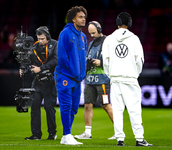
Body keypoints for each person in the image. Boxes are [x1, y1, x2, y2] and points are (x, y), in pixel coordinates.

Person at [102, 12, 153, 147]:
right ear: (129, 23)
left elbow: (105, 61)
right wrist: (134, 74)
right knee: (134, 110)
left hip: (115, 79)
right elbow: (140, 60)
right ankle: (139, 139)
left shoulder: (109, 39)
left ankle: (120, 139)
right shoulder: (134, 39)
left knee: (117, 111)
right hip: (130, 78)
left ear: (117, 22)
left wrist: (111, 74)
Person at [74, 21, 115, 140]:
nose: (91, 35)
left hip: (103, 81)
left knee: (106, 105)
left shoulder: (108, 42)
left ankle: (119, 131)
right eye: (90, 33)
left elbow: (114, 60)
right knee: (87, 105)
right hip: (90, 80)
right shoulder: (90, 44)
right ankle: (87, 133)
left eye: (93, 33)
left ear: (99, 29)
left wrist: (101, 63)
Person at [54, 6, 87, 145]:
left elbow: (83, 58)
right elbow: (61, 56)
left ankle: (66, 136)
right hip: (65, 76)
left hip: (77, 79)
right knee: (66, 106)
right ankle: (66, 135)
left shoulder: (84, 36)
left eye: (84, 17)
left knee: (74, 107)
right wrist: (72, 71)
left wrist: (81, 73)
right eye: (80, 17)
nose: (83, 19)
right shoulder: (65, 33)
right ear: (73, 18)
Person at [20, 26, 57, 140]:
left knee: (48, 107)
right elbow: (28, 59)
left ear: (48, 37)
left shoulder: (55, 44)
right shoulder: (34, 46)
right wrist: (23, 67)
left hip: (50, 82)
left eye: (42, 39)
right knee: (34, 107)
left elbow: (56, 59)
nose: (40, 41)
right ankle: (36, 134)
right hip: (37, 82)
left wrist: (41, 68)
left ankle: (52, 133)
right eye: (39, 38)